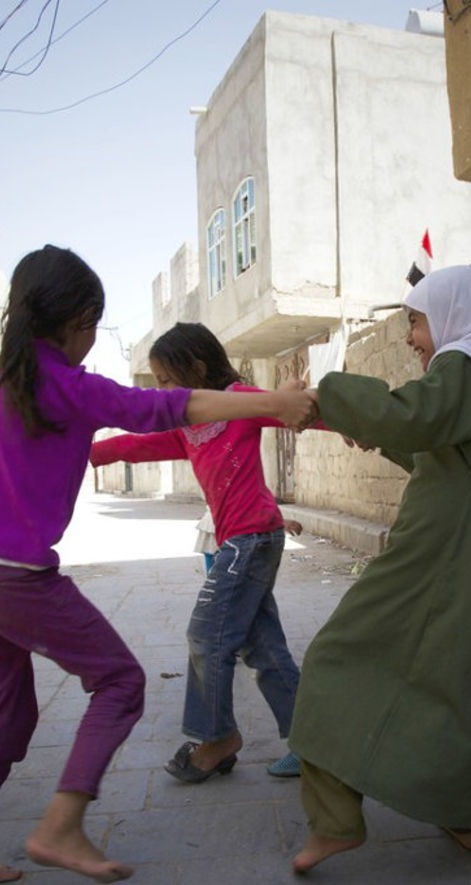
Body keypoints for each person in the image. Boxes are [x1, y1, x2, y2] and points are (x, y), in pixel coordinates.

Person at [0, 247, 317, 885]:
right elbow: (169, 412)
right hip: (14, 576)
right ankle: (62, 826)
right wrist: (271, 404)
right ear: (81, 318)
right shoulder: (69, 385)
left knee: (10, 716)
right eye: (93, 325)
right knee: (122, 683)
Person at [287, 265, 471, 872]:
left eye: (417, 322)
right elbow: (445, 451)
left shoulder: (468, 364)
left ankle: (337, 820)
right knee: (467, 675)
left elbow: (414, 420)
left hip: (442, 545)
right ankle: (466, 810)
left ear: (453, 316)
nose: (412, 337)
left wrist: (330, 396)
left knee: (336, 658)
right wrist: (372, 432)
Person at [90, 322, 310, 784]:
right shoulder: (189, 424)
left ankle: (216, 739)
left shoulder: (242, 401)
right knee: (263, 647)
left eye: (167, 381)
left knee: (207, 636)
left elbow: (296, 410)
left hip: (252, 539)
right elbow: (136, 445)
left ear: (196, 368)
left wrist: (355, 426)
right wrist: (83, 453)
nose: (163, 392)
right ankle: (315, 744)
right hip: (241, 541)